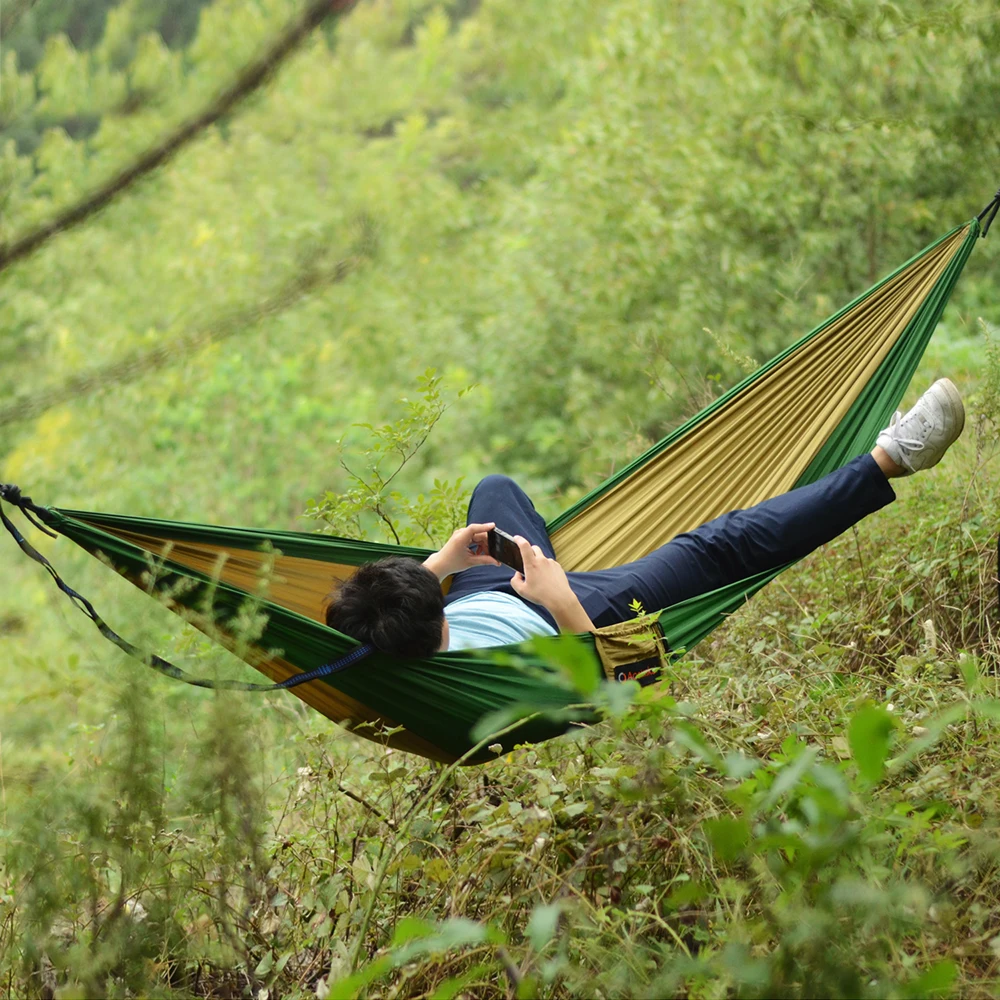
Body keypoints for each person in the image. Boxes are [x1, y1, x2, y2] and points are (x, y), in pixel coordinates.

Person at [325, 379, 965, 657]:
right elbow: (615, 680)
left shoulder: (376, 644)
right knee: (720, 544)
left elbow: (360, 623)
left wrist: (444, 562)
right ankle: (893, 459)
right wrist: (558, 598)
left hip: (488, 593)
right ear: (427, 622)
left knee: (493, 489)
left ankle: (526, 563)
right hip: (569, 616)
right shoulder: (483, 677)